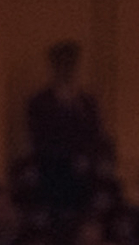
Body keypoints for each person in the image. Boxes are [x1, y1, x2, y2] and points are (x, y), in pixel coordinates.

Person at [26, 40, 109, 212]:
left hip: (83, 175)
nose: (66, 68)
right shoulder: (40, 102)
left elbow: (96, 134)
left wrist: (88, 158)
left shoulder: (86, 102)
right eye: (61, 63)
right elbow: (37, 137)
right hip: (52, 172)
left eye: (70, 64)